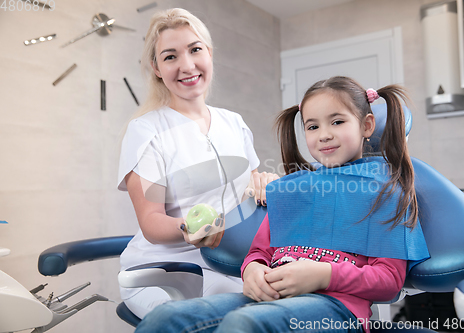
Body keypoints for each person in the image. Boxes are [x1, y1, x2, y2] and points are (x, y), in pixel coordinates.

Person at [134, 76, 430, 332]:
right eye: (312, 127)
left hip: (339, 310)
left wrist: (322, 274)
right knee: (167, 318)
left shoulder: (385, 192)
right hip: (271, 298)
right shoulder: (293, 190)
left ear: (366, 125)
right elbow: (259, 252)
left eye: (337, 122)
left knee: (247, 325)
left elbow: (389, 281)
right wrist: (252, 272)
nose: (324, 134)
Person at [117, 8, 278, 320]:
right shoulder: (146, 131)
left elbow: (251, 188)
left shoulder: (235, 124)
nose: (187, 65)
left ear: (209, 54)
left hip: (233, 262)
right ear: (156, 68)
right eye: (170, 56)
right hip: (166, 269)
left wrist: (264, 185)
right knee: (240, 318)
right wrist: (189, 228)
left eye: (195, 50)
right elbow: (151, 221)